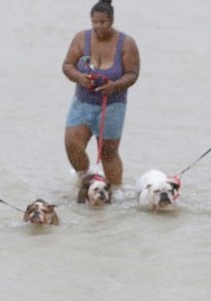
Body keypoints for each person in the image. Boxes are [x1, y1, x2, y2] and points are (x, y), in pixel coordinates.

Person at [62, 0, 140, 186]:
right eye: (95, 22)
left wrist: (115, 86)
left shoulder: (126, 43)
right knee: (72, 145)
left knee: (108, 152)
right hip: (82, 102)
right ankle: (86, 178)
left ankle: (116, 191)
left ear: (111, 21)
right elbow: (67, 65)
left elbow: (132, 74)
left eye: (102, 22)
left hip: (113, 105)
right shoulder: (81, 38)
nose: (98, 26)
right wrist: (79, 77)